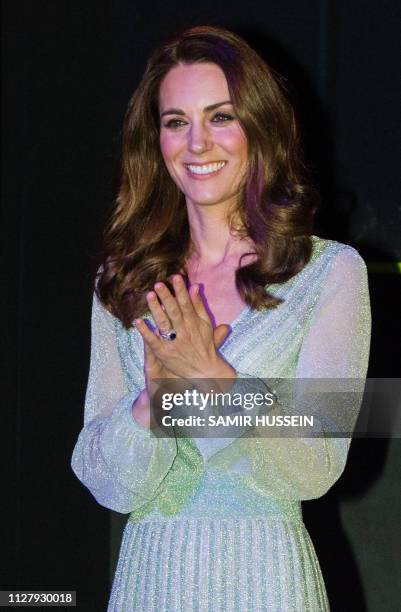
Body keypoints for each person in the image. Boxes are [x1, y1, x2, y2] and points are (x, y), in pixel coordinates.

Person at [71, 25, 371, 611]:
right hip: (151, 578)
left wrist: (216, 381)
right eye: (176, 121)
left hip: (267, 576)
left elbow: (317, 468)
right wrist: (152, 400)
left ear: (259, 127)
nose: (197, 144)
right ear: (154, 140)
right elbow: (104, 479)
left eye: (221, 116)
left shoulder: (331, 272)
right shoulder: (123, 278)